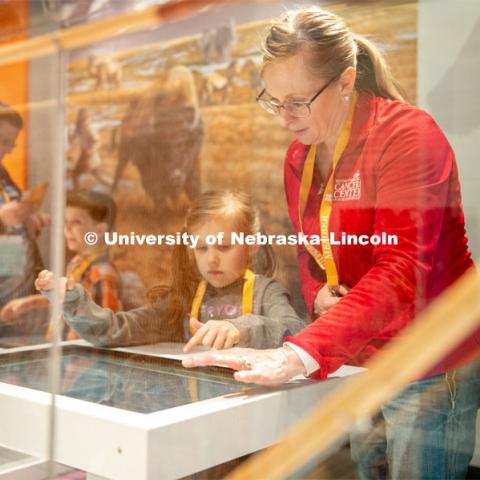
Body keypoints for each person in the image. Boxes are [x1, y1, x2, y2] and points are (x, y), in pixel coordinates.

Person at [182, 6, 480, 480]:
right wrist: (316, 289)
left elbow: (405, 266)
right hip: (362, 355)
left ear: (345, 82)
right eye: (274, 100)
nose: (285, 118)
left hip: (430, 354)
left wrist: (298, 352)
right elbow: (310, 248)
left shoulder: (409, 136)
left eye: (297, 101)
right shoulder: (300, 154)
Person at [35, 190, 305, 350]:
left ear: (252, 244)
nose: (211, 259)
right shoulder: (182, 302)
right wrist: (73, 302)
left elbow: (295, 329)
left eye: (224, 247)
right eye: (202, 248)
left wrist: (239, 328)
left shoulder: (266, 293)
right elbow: (115, 329)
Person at [1, 190, 122, 341]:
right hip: (63, 351)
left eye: (76, 222)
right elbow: (69, 300)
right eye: (65, 221)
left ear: (99, 230)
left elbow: (106, 332)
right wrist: (29, 303)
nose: (67, 228)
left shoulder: (102, 275)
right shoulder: (77, 263)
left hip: (80, 359)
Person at [0, 102, 51, 339]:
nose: (8, 150)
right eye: (3, 141)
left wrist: (30, 221)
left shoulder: (3, 174)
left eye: (12, 143)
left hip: (14, 304)